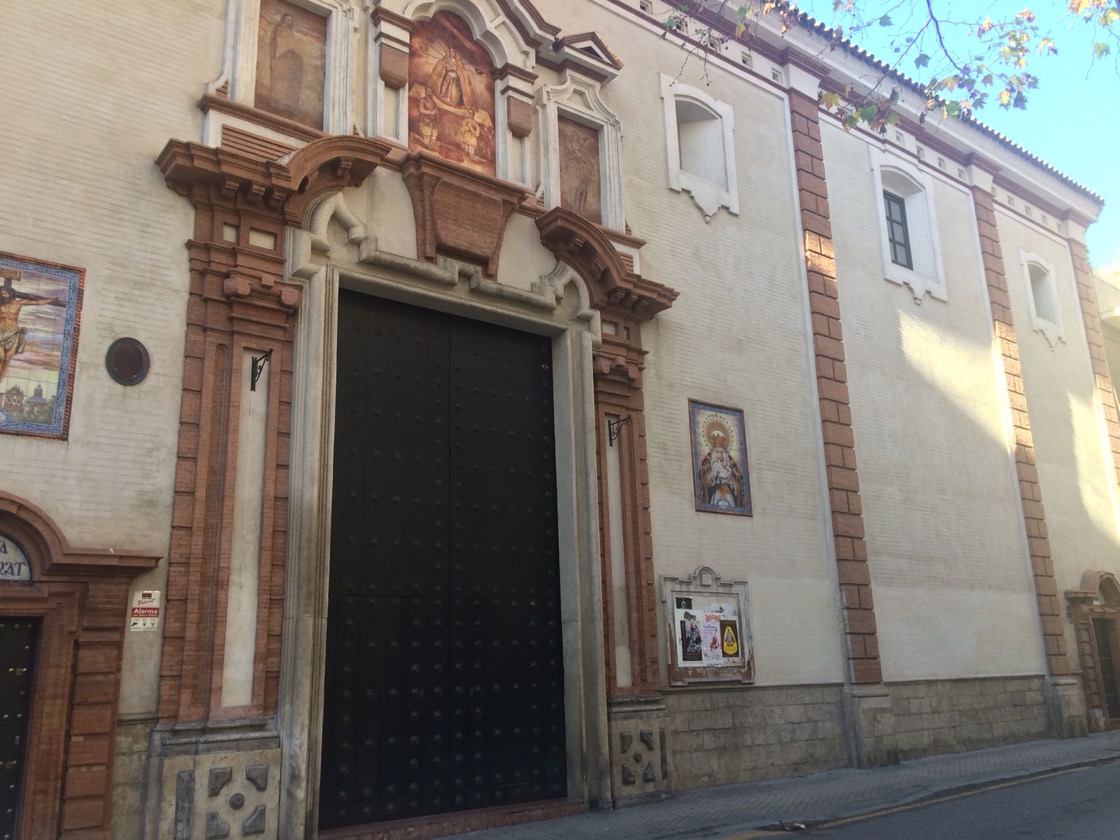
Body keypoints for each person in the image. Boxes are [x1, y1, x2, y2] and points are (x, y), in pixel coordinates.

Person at [0, 286, 59, 384]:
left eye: (5, 293)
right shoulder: (1, 305)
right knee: (1, 357)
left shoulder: (18, 303)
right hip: (1, 333)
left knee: (7, 359)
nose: (3, 296)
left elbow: (37, 302)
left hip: (13, 334)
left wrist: (51, 300)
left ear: (10, 294)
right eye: (2, 294)